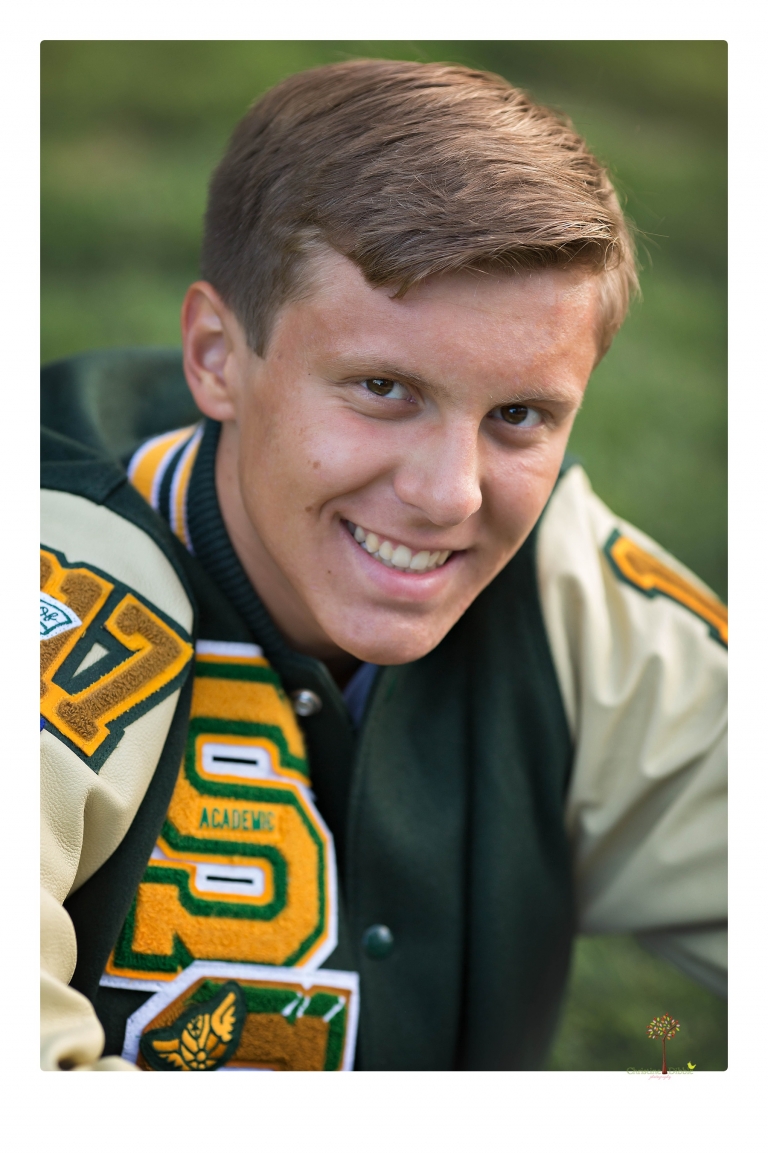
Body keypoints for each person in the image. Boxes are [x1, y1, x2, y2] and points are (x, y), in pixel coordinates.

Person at [40, 59, 726, 1072]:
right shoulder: (56, 576)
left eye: (519, 415)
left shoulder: (574, 599)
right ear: (217, 357)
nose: (452, 493)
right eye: (383, 388)